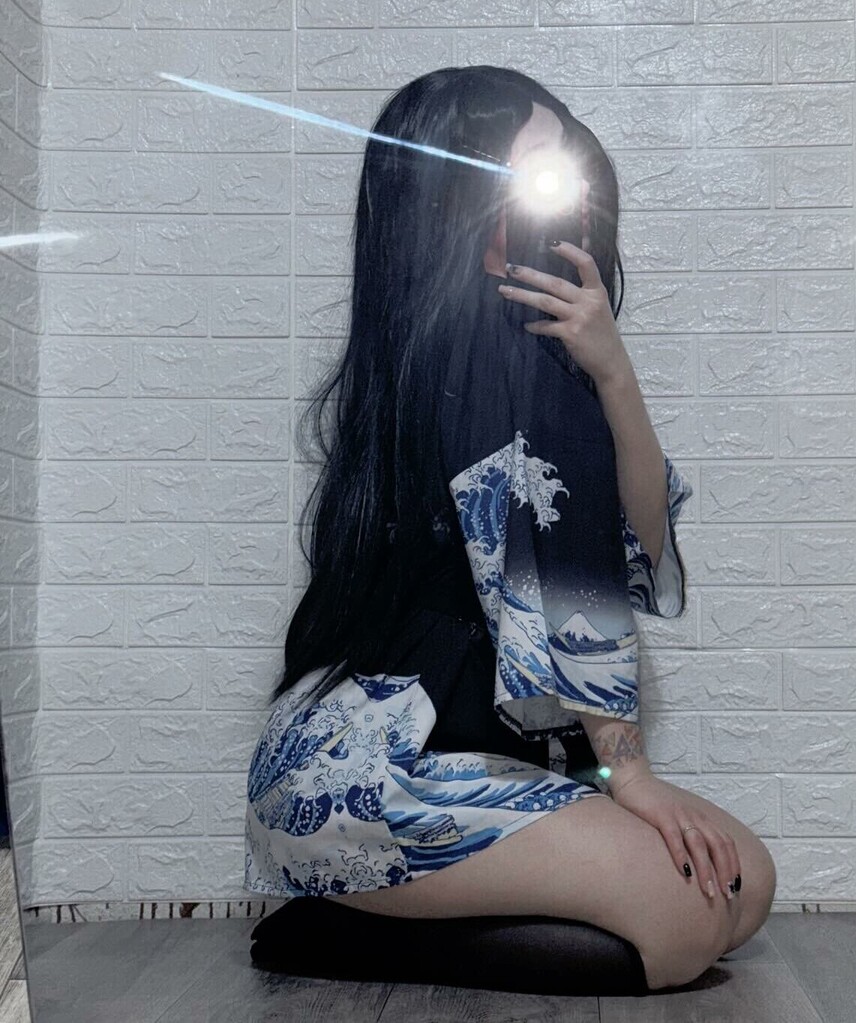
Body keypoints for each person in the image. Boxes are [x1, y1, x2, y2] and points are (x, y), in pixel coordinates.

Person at [243, 65, 776, 995]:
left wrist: (614, 372)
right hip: (373, 767)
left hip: (446, 767)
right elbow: (561, 590)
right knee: (686, 920)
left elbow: (641, 550)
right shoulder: (470, 345)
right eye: (535, 169)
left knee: (745, 880)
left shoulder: (537, 348)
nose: (565, 191)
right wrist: (629, 773)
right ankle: (329, 930)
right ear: (461, 187)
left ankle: (358, 914)